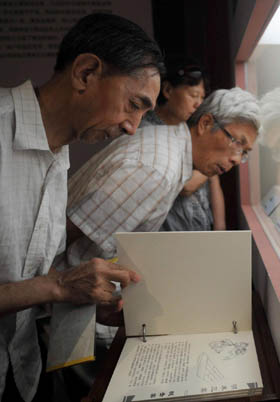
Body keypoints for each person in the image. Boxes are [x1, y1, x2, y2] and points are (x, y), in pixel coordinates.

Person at [0, 13, 164, 402]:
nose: (133, 128)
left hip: (21, 373)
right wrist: (57, 286)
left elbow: (27, 275)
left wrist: (80, 299)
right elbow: (44, 282)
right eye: (134, 104)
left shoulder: (60, 155)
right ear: (86, 73)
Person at [64, 86, 259, 275]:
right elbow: (69, 233)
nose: (236, 158)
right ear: (205, 123)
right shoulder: (159, 171)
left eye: (244, 153)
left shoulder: (167, 144)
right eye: (237, 142)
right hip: (62, 291)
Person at [141, 56, 226, 231]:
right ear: (168, 90)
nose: (199, 104)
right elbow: (186, 185)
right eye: (193, 95)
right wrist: (214, 165)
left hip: (203, 229)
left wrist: (221, 228)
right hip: (172, 239)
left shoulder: (192, 128)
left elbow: (214, 181)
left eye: (202, 97)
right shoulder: (146, 131)